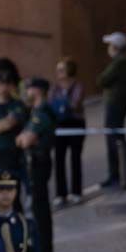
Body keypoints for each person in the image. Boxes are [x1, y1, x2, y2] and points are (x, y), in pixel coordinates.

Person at [16, 78, 56, 252]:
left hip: (39, 162)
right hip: (36, 162)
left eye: (29, 88)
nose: (27, 92)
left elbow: (25, 140)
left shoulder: (41, 112)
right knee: (37, 207)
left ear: (38, 91)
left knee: (40, 209)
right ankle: (43, 249)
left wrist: (24, 138)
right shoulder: (35, 111)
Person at [98, 31, 126, 188]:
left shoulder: (120, 63)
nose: (109, 49)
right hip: (115, 104)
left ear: (116, 47)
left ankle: (116, 174)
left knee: (114, 140)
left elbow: (102, 80)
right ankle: (117, 173)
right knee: (114, 139)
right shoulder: (120, 62)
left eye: (111, 45)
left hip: (115, 104)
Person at [50, 57, 85, 206]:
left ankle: (76, 192)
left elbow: (75, 104)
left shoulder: (77, 85)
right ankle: (60, 193)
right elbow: (52, 104)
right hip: (59, 124)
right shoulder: (55, 87)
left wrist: (63, 104)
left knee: (75, 157)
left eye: (62, 69)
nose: (58, 72)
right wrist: (64, 105)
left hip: (76, 123)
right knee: (59, 159)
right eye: (58, 69)